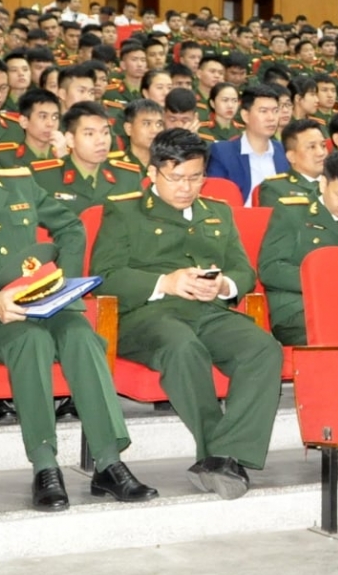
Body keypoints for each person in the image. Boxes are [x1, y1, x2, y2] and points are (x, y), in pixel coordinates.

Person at [0, 109, 157, 511]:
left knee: (83, 336)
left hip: (43, 305)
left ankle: (108, 462)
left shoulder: (20, 186)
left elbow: (71, 227)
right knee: (28, 340)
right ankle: (45, 465)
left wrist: (60, 284)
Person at [93, 130, 284, 499]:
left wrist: (224, 285)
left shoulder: (219, 212)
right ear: (152, 173)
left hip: (209, 311)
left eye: (196, 177)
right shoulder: (123, 211)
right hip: (148, 316)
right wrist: (166, 281)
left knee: (263, 348)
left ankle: (226, 455)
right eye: (176, 177)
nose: (186, 187)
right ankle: (216, 451)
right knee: (183, 347)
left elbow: (244, 272)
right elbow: (107, 278)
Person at [255, 150, 338, 348]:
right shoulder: (292, 212)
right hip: (298, 307)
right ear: (323, 184)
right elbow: (270, 268)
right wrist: (322, 282)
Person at [205, 84, 288, 198]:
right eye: (263, 111)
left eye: (275, 111)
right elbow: (216, 199)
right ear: (245, 116)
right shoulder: (223, 153)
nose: (271, 118)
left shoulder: (285, 152)